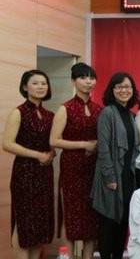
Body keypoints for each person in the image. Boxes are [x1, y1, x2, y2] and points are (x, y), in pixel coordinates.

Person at [49, 63, 102, 259]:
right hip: (72, 168)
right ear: (73, 81)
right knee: (71, 215)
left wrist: (96, 144)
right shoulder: (66, 108)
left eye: (91, 78)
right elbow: (54, 140)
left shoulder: (99, 109)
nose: (88, 82)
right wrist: (83, 144)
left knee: (92, 217)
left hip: (93, 167)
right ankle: (69, 256)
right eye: (83, 77)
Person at [3, 70, 55, 259]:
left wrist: (51, 153)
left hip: (45, 173)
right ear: (25, 87)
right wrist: (37, 155)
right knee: (24, 222)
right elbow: (7, 144)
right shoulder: (18, 112)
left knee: (40, 224)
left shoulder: (50, 115)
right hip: (24, 173)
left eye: (44, 83)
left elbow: (52, 143)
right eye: (35, 83)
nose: (41, 86)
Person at [91, 72, 140, 259]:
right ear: (112, 90)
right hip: (110, 177)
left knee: (123, 222)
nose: (123, 90)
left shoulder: (131, 115)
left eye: (127, 87)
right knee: (108, 222)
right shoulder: (107, 113)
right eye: (119, 87)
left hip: (127, 176)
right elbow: (103, 148)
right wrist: (110, 177)